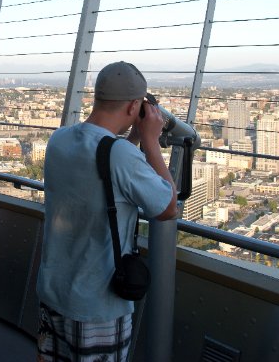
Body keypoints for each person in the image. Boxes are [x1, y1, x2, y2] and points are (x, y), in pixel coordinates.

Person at [36, 61, 178, 362]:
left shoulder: (58, 139)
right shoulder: (121, 155)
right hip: (97, 305)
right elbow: (167, 207)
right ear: (133, 108)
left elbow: (103, 166)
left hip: (54, 291)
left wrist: (135, 139)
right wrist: (150, 140)